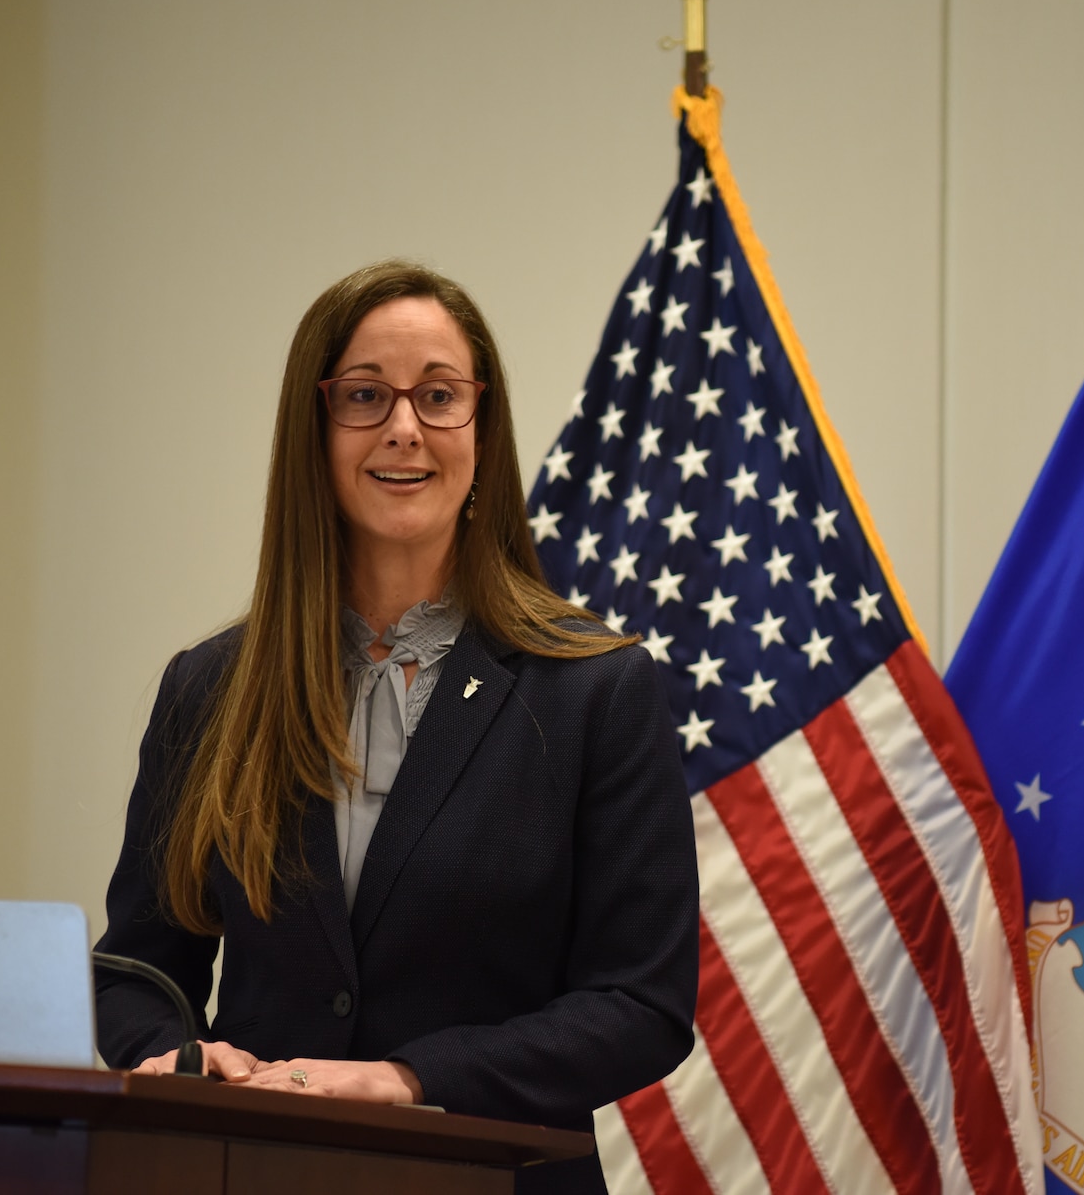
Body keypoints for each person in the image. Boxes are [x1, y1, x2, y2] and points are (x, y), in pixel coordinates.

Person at [93, 260, 698, 1194]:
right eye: (367, 395)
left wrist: (412, 1078)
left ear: (482, 432)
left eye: (440, 396)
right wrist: (177, 1057)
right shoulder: (208, 689)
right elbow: (135, 968)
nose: (405, 427)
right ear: (316, 426)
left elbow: (641, 1002)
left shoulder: (595, 689)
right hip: (251, 1173)